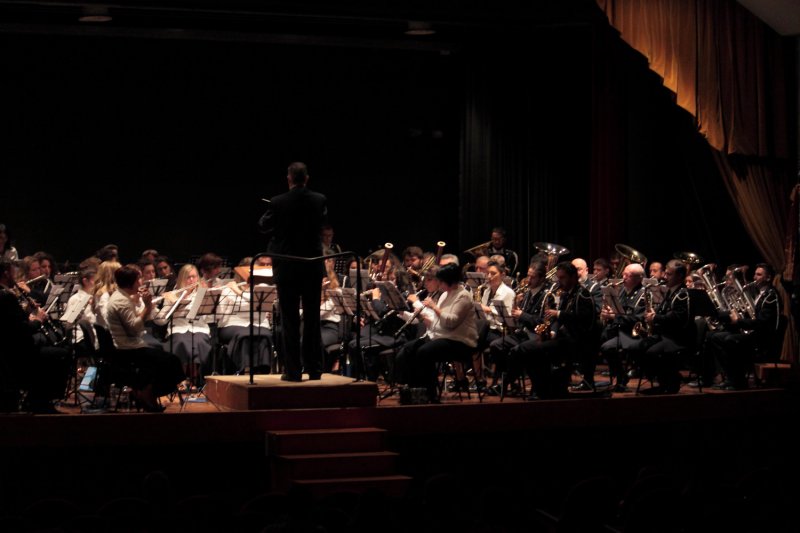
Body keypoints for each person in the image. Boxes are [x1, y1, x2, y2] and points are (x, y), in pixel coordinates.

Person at [258, 162, 328, 382]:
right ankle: (314, 369)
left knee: (289, 321)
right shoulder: (319, 199)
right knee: (312, 319)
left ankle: (293, 371)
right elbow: (322, 223)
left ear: (289, 178)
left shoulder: (277, 202)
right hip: (312, 265)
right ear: (306, 178)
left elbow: (262, 226)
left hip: (288, 267)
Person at [105, 265, 184, 411]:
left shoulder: (123, 296)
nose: (141, 282)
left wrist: (144, 305)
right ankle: (147, 393)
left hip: (129, 345)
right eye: (139, 279)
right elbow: (134, 328)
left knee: (165, 360)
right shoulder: (121, 301)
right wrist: (147, 306)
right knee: (172, 362)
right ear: (132, 282)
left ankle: (146, 391)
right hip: (128, 350)